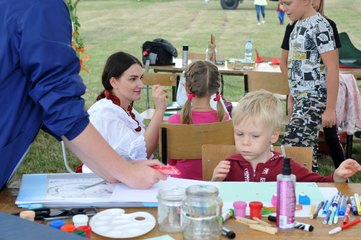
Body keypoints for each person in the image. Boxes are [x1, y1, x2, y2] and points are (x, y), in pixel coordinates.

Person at [0, 0, 166, 191]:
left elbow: (55, 111)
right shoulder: (41, 6)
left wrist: (114, 171)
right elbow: (61, 105)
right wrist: (126, 172)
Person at [211, 90, 361, 182]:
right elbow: (214, 200)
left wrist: (338, 176)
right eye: (239, 134)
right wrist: (215, 181)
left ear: (274, 135)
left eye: (255, 136)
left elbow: (320, 183)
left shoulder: (285, 167)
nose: (245, 142)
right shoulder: (229, 165)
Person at [280, 0, 340, 172]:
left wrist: (330, 108)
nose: (284, 8)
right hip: (301, 99)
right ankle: (309, 186)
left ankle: (301, 185)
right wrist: (293, 93)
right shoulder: (297, 25)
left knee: (294, 146)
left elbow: (332, 68)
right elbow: (295, 65)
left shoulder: (321, 26)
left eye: (288, 3)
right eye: (282, 3)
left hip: (314, 97)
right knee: (304, 150)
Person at [81, 52, 168, 172]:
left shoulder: (125, 109)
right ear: (114, 82)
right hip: (105, 182)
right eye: (133, 79)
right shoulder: (106, 113)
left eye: (141, 78)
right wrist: (159, 111)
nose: (141, 85)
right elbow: (142, 155)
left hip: (124, 177)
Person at [168, 60, 230, 180]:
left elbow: (170, 161)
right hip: (214, 180)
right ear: (217, 88)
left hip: (181, 182)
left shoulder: (175, 121)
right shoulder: (224, 120)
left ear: (186, 87)